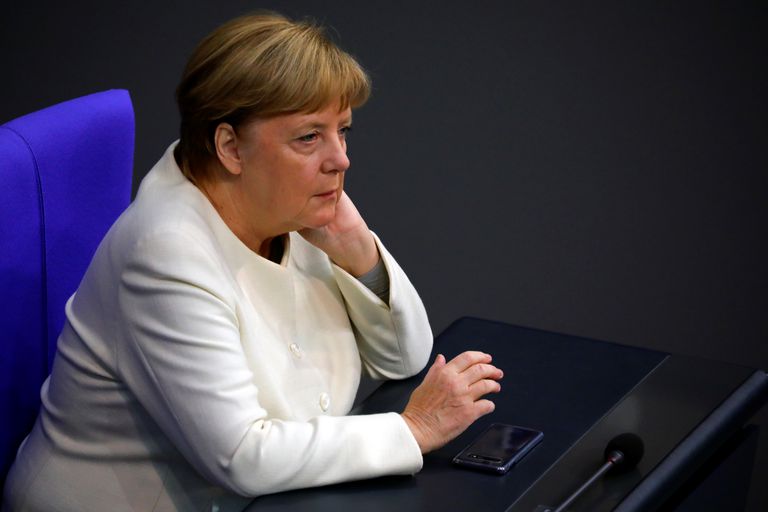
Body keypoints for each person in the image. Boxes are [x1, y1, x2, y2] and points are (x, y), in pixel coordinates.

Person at [2, 12, 502, 512]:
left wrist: (357, 250)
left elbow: (404, 356)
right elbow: (242, 454)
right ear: (229, 148)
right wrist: (412, 429)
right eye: (309, 137)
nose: (340, 159)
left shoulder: (286, 205)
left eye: (342, 131)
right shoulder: (164, 252)